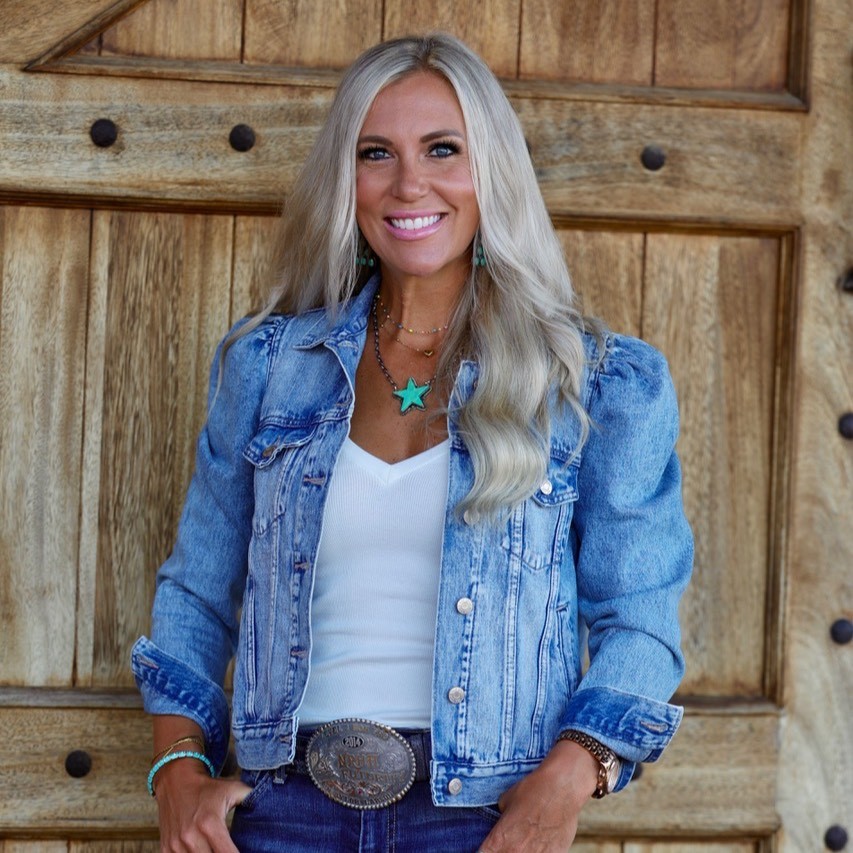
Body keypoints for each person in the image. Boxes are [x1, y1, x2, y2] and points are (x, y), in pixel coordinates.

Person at [132, 32, 693, 853]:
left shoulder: (596, 383)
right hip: (280, 812)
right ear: (346, 179)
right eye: (376, 154)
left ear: (491, 169)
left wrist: (569, 776)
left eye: (442, 149)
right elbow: (195, 592)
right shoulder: (268, 366)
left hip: (486, 819)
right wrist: (177, 770)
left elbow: (639, 618)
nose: (408, 183)